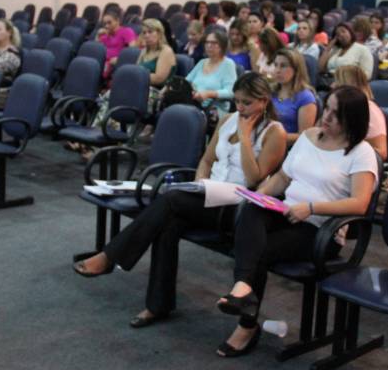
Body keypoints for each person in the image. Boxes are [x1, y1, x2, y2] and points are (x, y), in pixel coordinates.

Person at [74, 73, 286, 326]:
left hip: (237, 208)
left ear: (263, 102)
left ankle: (110, 256)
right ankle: (157, 305)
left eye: (247, 103)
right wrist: (200, 183)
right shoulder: (229, 120)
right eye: (238, 101)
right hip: (209, 195)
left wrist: (246, 138)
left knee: (171, 199)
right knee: (168, 223)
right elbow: (206, 160)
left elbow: (254, 179)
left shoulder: (274, 132)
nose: (240, 108)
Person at [214, 86, 378, 357]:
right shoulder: (309, 137)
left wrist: (311, 207)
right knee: (252, 211)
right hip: (286, 212)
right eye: (328, 108)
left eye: (337, 115)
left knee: (258, 251)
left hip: (320, 229)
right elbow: (282, 178)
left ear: (353, 120)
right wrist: (255, 196)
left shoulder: (361, 153)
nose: (327, 117)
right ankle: (243, 289)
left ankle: (246, 323)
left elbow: (360, 204)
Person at [331, 66, 388, 160]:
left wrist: (346, 150)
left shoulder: (370, 111)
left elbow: (381, 152)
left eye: (336, 82)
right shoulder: (333, 107)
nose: (332, 85)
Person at [271, 48, 318, 145]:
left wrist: (273, 138)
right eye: (276, 65)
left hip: (287, 149)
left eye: (283, 66)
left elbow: (304, 136)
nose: (277, 70)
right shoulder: (271, 91)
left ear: (296, 70)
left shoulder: (305, 97)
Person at [186, 30, 238, 116]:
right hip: (193, 104)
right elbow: (187, 81)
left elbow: (231, 92)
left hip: (214, 110)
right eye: (207, 42)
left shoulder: (228, 64)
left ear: (223, 46)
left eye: (214, 43)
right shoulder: (202, 62)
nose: (209, 45)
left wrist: (209, 93)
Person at [96, 8, 136, 78]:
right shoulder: (104, 34)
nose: (106, 26)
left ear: (117, 21)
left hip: (115, 65)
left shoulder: (126, 31)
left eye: (109, 22)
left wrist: (120, 59)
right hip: (101, 63)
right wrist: (97, 36)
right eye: (104, 23)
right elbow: (95, 50)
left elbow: (133, 51)